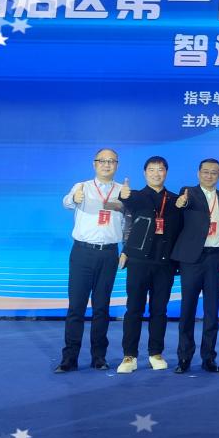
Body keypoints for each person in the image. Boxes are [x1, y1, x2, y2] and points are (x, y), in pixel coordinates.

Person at [56, 149, 125, 373]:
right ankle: (69, 358)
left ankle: (99, 357)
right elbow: (66, 203)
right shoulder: (82, 186)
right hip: (82, 253)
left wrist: (126, 250)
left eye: (111, 161)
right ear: (94, 164)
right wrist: (74, 199)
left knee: (101, 308)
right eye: (102, 161)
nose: (107, 164)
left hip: (109, 254)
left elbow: (128, 223)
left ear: (117, 165)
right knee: (76, 307)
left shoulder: (122, 191)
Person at [115, 156, 183, 373]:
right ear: (145, 173)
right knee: (134, 309)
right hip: (138, 261)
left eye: (160, 169)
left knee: (159, 310)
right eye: (151, 170)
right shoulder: (135, 196)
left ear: (166, 173)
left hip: (165, 264)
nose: (156, 173)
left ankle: (155, 353)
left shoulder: (175, 200)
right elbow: (127, 213)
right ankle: (129, 356)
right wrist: (123, 196)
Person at [171, 159, 219, 374]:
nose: (209, 176)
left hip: (215, 258)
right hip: (192, 259)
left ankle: (208, 357)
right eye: (205, 172)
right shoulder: (188, 193)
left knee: (212, 310)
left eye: (214, 172)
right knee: (187, 309)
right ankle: (184, 357)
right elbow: (182, 205)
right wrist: (180, 202)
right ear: (198, 173)